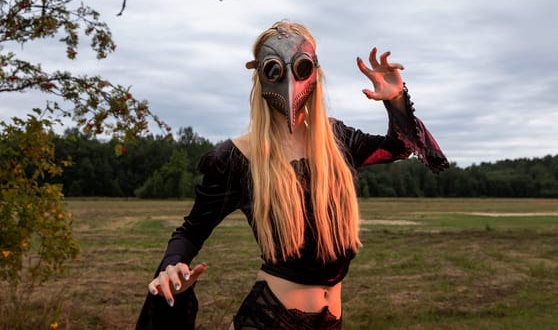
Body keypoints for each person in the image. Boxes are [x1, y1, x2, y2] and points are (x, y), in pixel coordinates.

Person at [136, 20, 448, 330]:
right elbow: (191, 231)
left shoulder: (337, 140)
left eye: (300, 68)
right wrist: (171, 266)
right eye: (274, 70)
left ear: (315, 71)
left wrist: (396, 100)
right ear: (261, 77)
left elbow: (398, 146)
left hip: (331, 321)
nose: (289, 81)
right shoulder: (238, 159)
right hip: (270, 320)